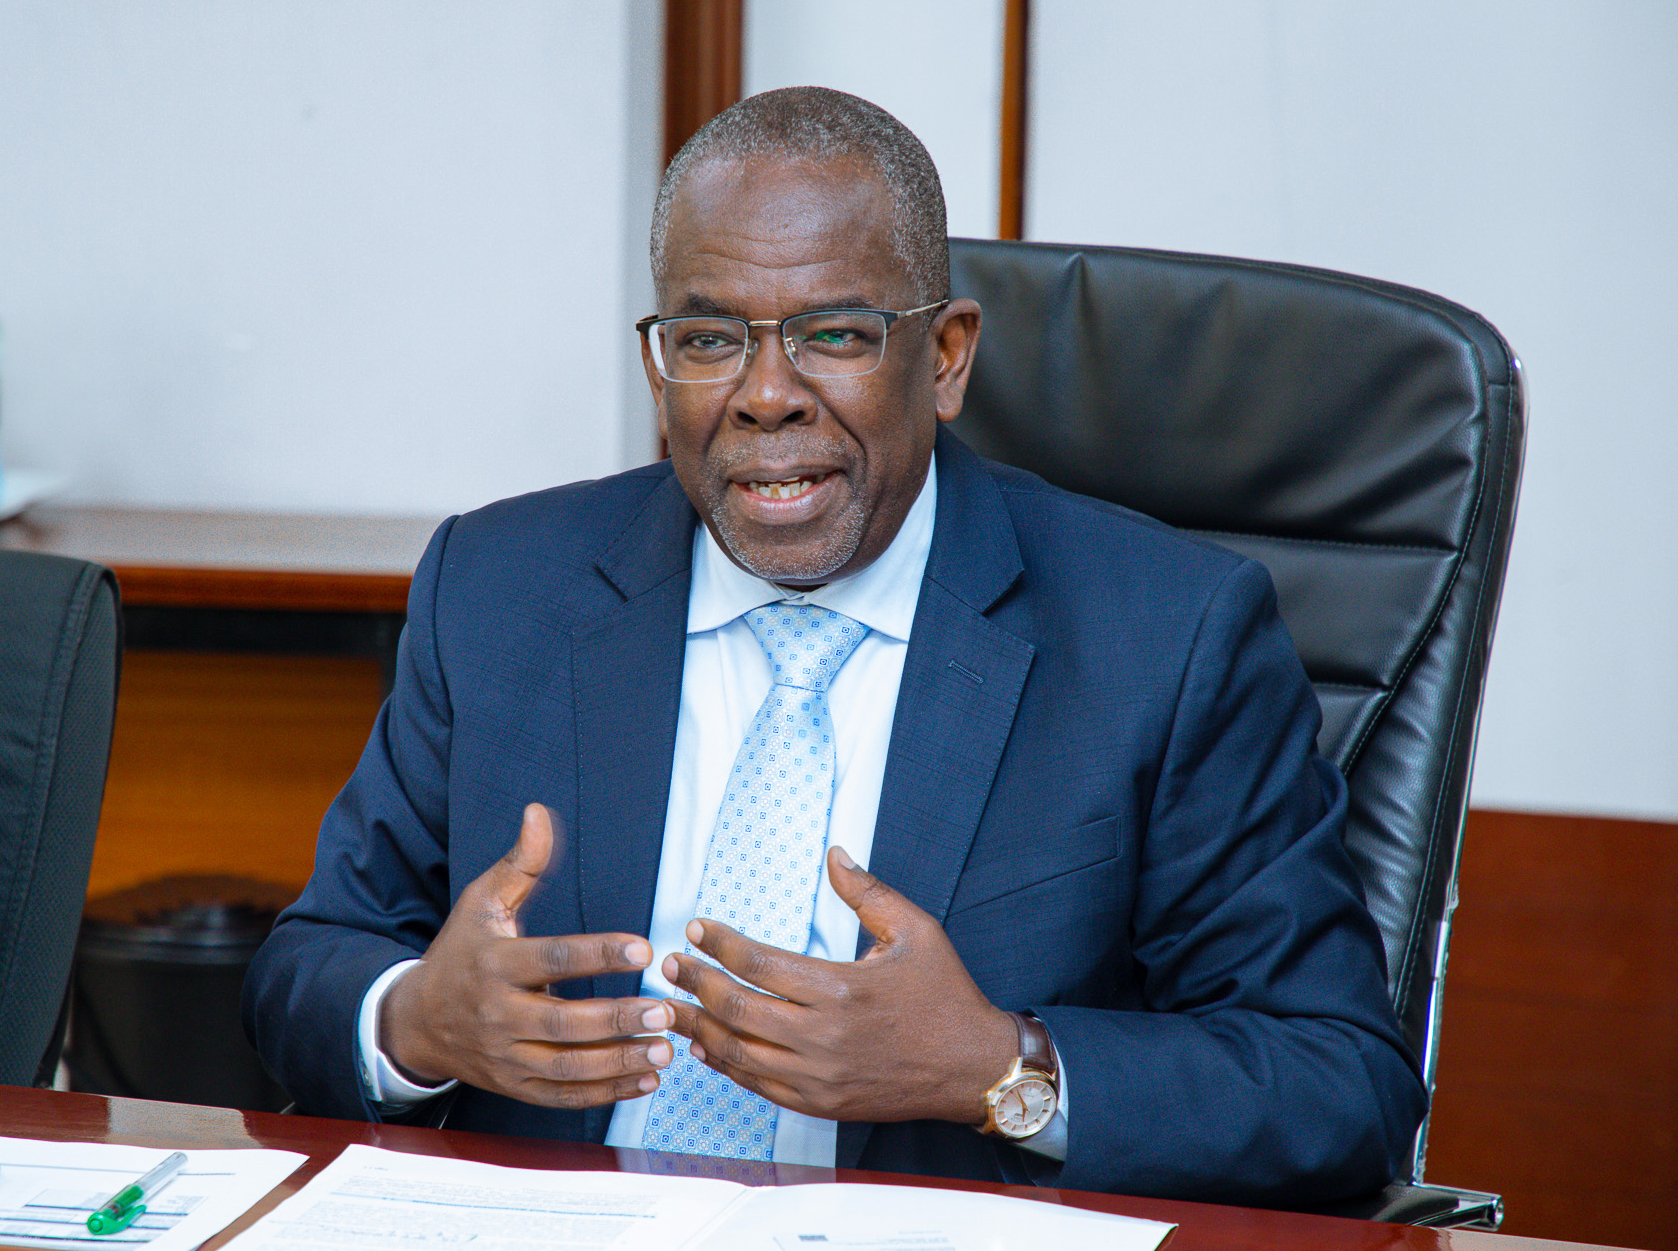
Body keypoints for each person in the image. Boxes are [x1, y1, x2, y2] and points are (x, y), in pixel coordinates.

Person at [244, 86, 1425, 1205]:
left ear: (945, 357)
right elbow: (307, 968)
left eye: (835, 334)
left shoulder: (1165, 636)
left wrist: (998, 1068)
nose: (766, 394)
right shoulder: (500, 588)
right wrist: (414, 1022)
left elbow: (1337, 1084)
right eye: (709, 339)